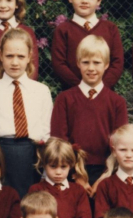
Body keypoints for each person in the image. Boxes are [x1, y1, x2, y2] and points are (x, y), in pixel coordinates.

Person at [0, 27, 52, 196]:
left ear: (29, 57)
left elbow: (46, 129)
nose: (15, 62)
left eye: (20, 56)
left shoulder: (41, 91)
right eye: (9, 56)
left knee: (29, 200)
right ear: (0, 56)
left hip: (32, 155)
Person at [49, 34, 128, 181]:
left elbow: (121, 144)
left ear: (106, 64)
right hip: (70, 170)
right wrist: (77, 175)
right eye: (86, 62)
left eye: (97, 62)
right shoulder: (64, 99)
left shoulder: (117, 102)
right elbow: (59, 141)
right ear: (78, 63)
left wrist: (105, 176)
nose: (91, 68)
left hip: (106, 172)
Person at [49, 0, 124, 90]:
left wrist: (100, 89)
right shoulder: (63, 30)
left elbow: (117, 63)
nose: (84, 0)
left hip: (104, 94)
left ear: (99, 0)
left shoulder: (110, 29)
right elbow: (59, 64)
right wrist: (82, 89)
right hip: (73, 93)